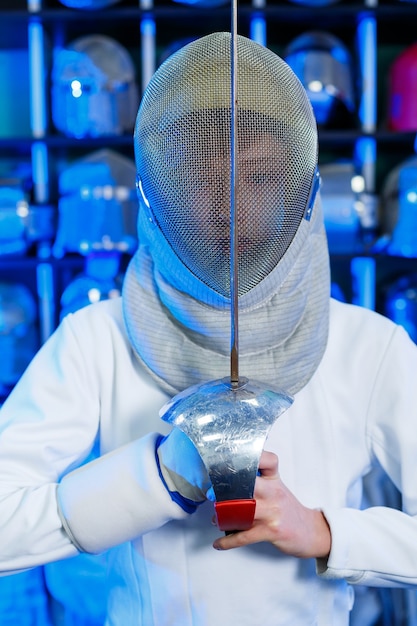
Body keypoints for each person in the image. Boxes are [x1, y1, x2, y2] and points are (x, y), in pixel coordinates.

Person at [1, 31, 417, 626]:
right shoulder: (97, 338)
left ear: (303, 194)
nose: (229, 204)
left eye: (260, 174)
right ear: (157, 197)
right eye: (200, 176)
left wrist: (325, 531)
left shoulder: (368, 347)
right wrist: (157, 478)